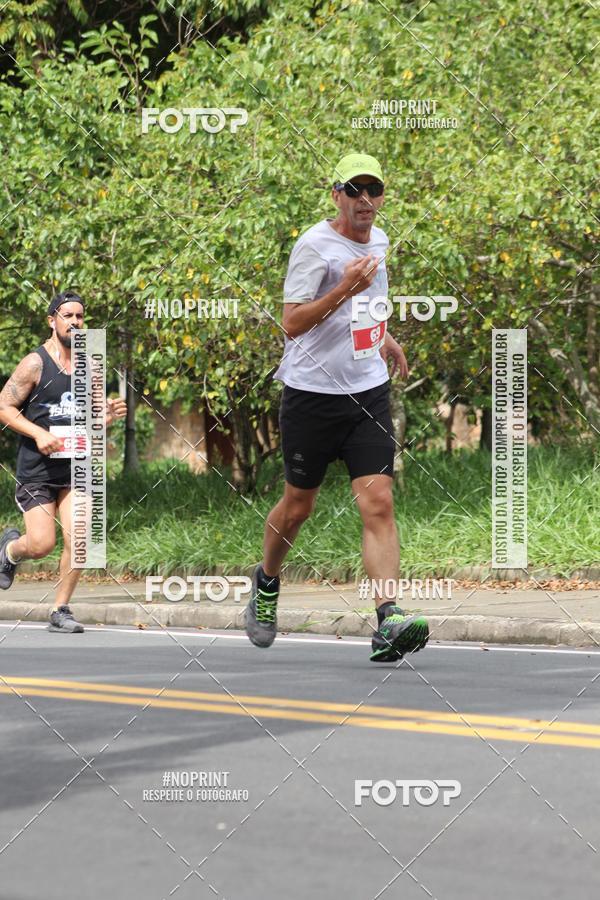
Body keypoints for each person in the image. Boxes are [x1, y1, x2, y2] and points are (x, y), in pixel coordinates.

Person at [245, 152, 429, 662]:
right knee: (299, 507)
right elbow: (292, 323)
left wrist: (385, 337)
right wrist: (345, 285)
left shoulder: (382, 241)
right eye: (355, 190)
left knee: (379, 502)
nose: (366, 199)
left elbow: (368, 303)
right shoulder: (314, 246)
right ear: (337, 195)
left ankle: (388, 617)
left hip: (367, 392)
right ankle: (266, 582)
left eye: (374, 189)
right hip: (310, 397)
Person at [0, 291, 126, 632]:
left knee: (81, 538)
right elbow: (4, 408)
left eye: (80, 317)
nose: (75, 322)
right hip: (38, 469)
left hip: (76, 466)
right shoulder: (34, 363)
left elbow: (93, 418)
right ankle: (11, 550)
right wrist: (38, 434)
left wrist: (108, 416)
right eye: (67, 316)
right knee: (41, 545)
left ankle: (61, 609)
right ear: (52, 320)